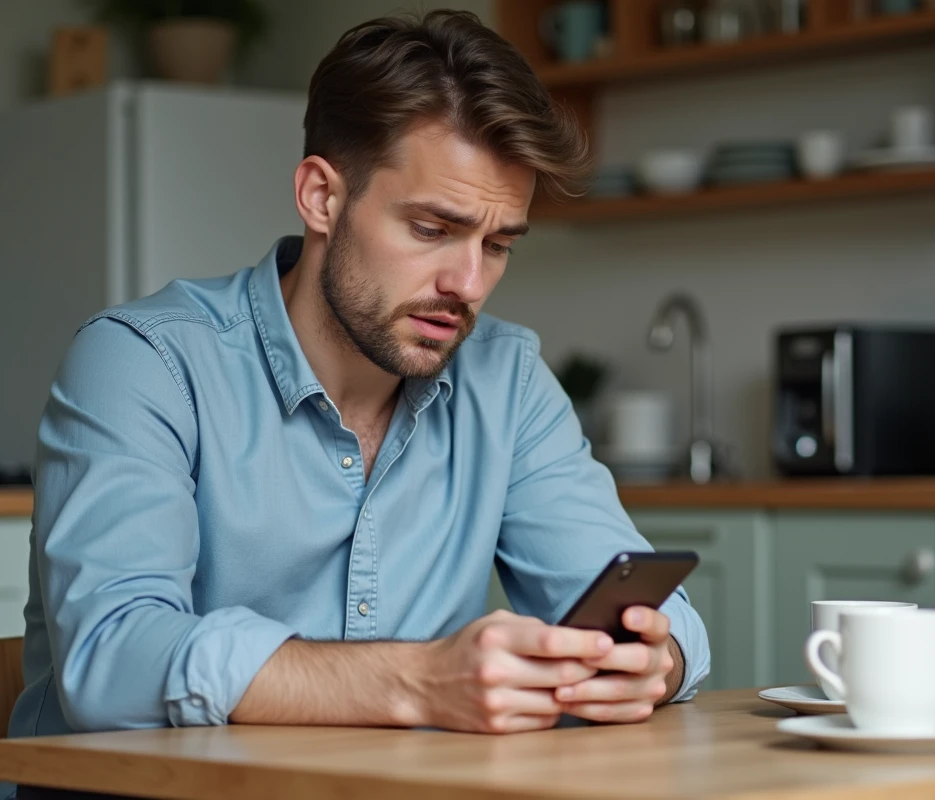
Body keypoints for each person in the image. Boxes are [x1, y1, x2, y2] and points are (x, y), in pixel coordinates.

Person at [5, 8, 710, 763]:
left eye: (498, 243)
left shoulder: (506, 381)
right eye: (432, 229)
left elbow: (673, 626)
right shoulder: (142, 362)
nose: (468, 284)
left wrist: (649, 666)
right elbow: (111, 660)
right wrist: (418, 682)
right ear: (321, 197)